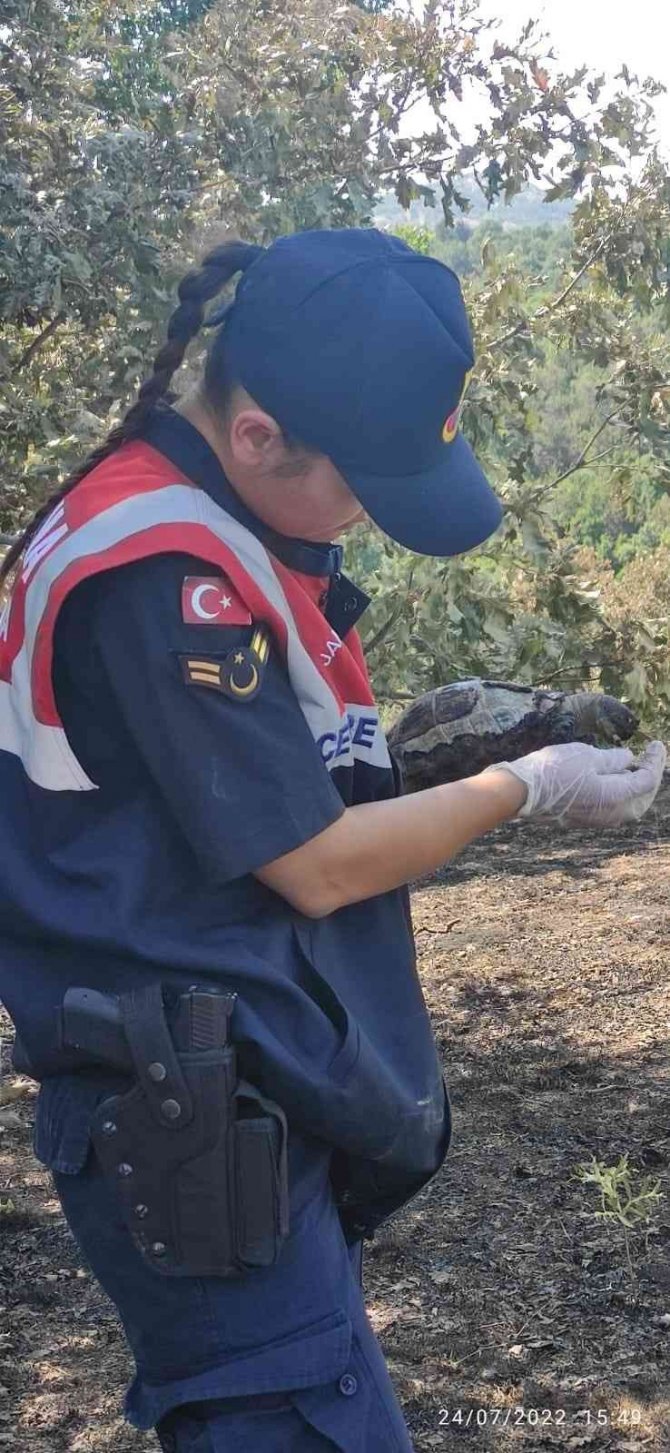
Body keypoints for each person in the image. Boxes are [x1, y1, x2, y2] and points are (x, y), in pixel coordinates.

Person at [0, 228, 664, 1453]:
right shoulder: (162, 570)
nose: (362, 512)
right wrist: (526, 784)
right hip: (186, 1115)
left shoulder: (189, 509)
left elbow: (221, 782)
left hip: (233, 1089)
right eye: (359, 476)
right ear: (258, 432)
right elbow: (312, 860)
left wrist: (450, 740)